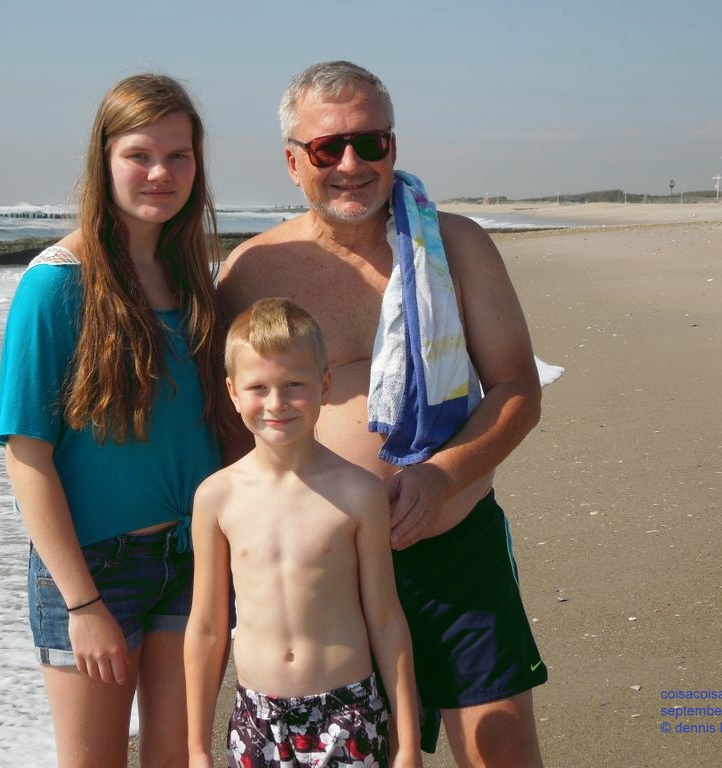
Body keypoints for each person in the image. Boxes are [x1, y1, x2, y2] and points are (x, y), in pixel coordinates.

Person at [217, 61, 548, 767]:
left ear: (394, 146)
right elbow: (228, 433)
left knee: (502, 751)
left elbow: (518, 388)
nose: (351, 164)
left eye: (371, 143)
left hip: (456, 549)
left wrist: (440, 477)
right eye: (327, 148)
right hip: (325, 570)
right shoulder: (253, 272)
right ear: (292, 161)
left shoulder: (455, 247)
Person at [0, 73, 232, 768]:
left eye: (179, 155)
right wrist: (82, 603)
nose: (161, 172)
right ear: (103, 160)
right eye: (140, 154)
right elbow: (25, 457)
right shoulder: (55, 284)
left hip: (194, 558)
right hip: (95, 567)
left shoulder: (195, 282)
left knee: (178, 757)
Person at [185, 298, 422, 768]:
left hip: (349, 708)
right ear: (233, 392)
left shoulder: (359, 492)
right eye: (259, 387)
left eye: (294, 384)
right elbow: (208, 627)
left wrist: (408, 740)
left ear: (325, 385)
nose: (276, 403)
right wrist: (195, 747)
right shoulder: (217, 497)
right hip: (258, 715)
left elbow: (386, 618)